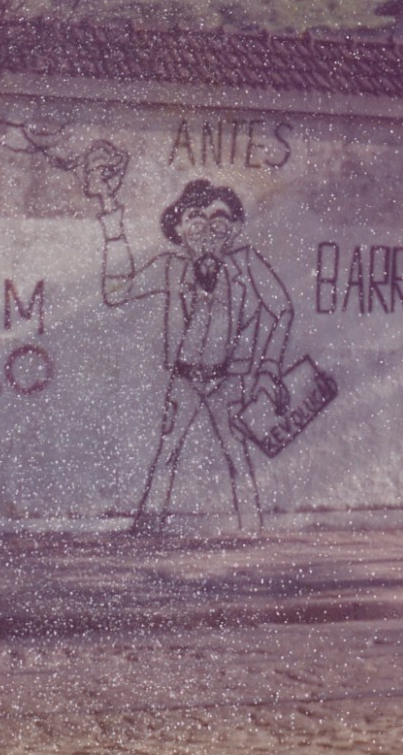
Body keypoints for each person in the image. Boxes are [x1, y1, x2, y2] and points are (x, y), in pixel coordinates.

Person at [84, 144, 293, 532]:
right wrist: (110, 210)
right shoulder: (170, 268)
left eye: (221, 221)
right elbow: (116, 291)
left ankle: (251, 532)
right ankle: (147, 531)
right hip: (183, 380)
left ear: (234, 230)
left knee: (238, 456)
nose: (209, 230)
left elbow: (282, 310)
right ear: (178, 228)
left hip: (226, 382)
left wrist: (267, 372)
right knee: (166, 454)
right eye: (196, 218)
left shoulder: (244, 264)